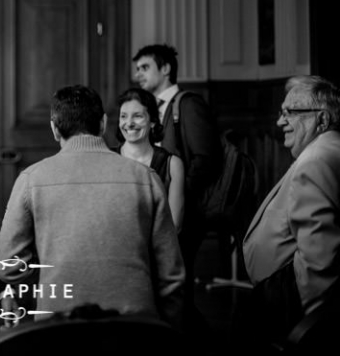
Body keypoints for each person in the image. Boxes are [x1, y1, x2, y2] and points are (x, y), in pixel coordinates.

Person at [0, 85, 185, 330]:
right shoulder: (147, 178)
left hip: (57, 325)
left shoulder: (31, 179)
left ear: (54, 128)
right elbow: (172, 275)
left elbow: (6, 266)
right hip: (135, 326)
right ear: (104, 124)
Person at [239, 75, 340, 347]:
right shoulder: (327, 149)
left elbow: (319, 259)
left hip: (291, 302)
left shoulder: (315, 161)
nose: (279, 122)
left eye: (290, 113)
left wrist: (312, 328)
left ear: (321, 119)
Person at [132, 43, 222, 332]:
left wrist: (178, 198)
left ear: (166, 69)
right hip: (162, 212)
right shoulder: (154, 108)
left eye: (144, 67)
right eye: (137, 69)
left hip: (186, 213)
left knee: (176, 286)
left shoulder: (188, 104)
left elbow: (205, 159)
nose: (138, 75)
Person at [116, 87, 185, 231]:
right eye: (123, 116)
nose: (129, 123)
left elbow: (174, 224)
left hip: (155, 250)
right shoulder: (108, 159)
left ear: (153, 121)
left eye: (137, 116)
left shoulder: (172, 165)